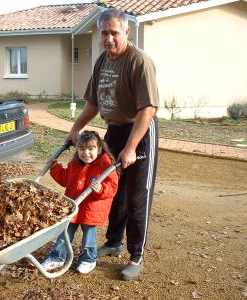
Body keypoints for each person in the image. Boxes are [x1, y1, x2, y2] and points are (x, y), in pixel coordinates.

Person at [66, 8, 159, 281]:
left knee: (136, 196)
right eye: (104, 33)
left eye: (114, 33)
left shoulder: (138, 61)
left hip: (140, 132)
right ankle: (114, 242)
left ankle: (136, 255)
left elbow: (148, 110)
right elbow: (93, 103)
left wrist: (131, 147)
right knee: (113, 190)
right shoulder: (102, 61)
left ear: (126, 32)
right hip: (114, 130)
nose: (109, 39)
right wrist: (75, 128)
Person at [41, 130, 119, 274]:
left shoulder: (106, 167)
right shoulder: (75, 164)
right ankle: (57, 257)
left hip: (91, 209)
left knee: (89, 237)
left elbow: (112, 189)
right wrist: (55, 168)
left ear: (99, 149)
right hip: (73, 206)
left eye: (91, 149)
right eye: (82, 149)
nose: (86, 153)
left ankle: (88, 260)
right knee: (64, 233)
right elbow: (65, 179)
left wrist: (101, 189)